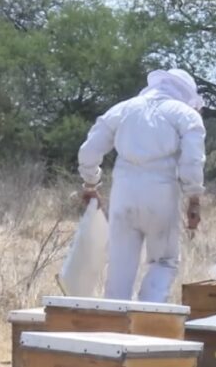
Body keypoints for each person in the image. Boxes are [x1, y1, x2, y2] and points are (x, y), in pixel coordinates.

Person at [77, 68, 206, 303]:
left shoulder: (124, 108)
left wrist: (90, 183)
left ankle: (114, 328)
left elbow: (89, 150)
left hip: (123, 194)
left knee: (119, 267)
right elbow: (193, 161)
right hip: (162, 194)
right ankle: (148, 318)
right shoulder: (185, 114)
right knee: (164, 261)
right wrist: (194, 197)